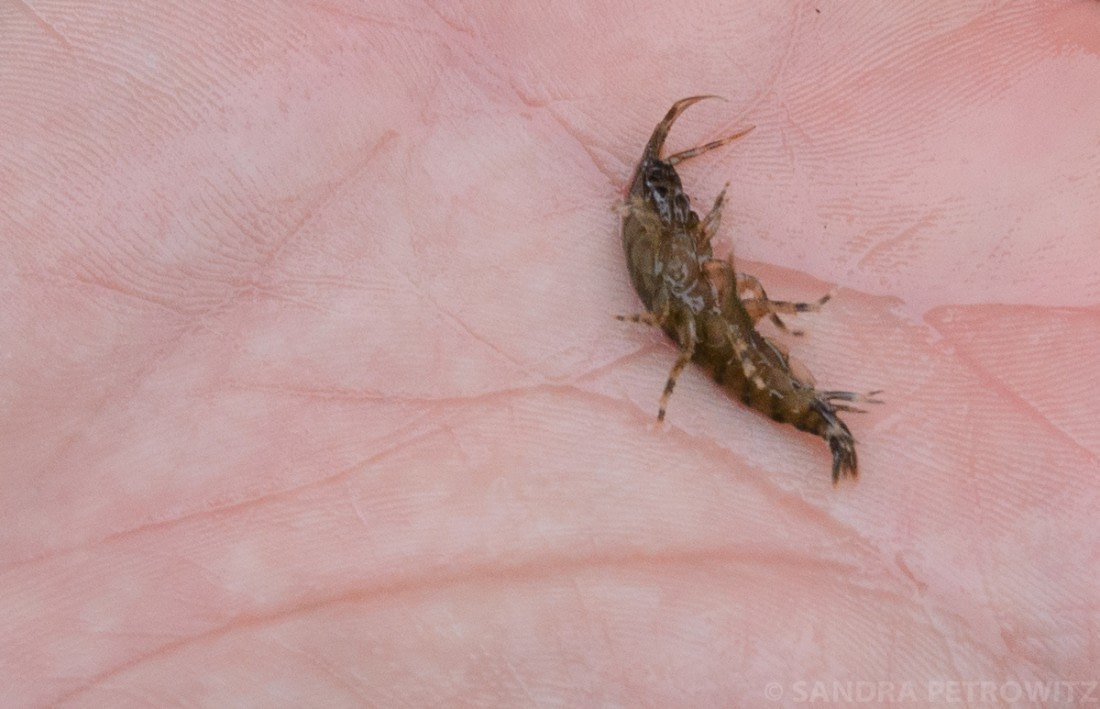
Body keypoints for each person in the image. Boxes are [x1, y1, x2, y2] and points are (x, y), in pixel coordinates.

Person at [3, 2, 1097, 705]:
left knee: (749, 338)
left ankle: (818, 415)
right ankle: (820, 417)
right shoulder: (679, 269)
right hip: (720, 334)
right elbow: (700, 276)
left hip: (718, 334)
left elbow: (697, 277)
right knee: (750, 339)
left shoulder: (675, 268)